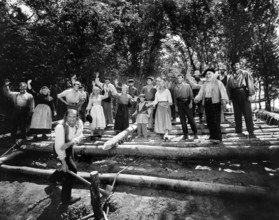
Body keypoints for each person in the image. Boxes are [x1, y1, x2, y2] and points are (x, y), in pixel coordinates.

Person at [53, 109, 83, 205]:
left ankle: (52, 179)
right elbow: (59, 146)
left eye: (74, 117)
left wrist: (71, 142)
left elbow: (80, 135)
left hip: (69, 146)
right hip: (59, 149)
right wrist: (63, 161)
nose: (72, 119)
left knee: (66, 168)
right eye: (70, 117)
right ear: (65, 117)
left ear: (77, 117)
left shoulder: (79, 123)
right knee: (72, 170)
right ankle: (66, 198)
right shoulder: (60, 127)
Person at [194, 68, 228, 144]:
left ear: (213, 74)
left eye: (209, 74)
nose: (208, 75)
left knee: (216, 121)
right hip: (207, 103)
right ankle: (212, 136)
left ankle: (218, 138)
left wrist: (224, 102)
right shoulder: (204, 84)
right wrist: (197, 98)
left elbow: (223, 92)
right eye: (206, 74)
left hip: (216, 103)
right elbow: (201, 93)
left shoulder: (218, 82)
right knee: (209, 121)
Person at [226, 63, 256, 138]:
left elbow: (250, 84)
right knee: (237, 114)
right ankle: (239, 131)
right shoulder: (230, 77)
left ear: (240, 66)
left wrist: (250, 94)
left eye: (237, 65)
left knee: (247, 113)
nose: (235, 67)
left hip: (243, 94)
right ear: (232, 67)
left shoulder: (245, 73)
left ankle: (251, 132)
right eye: (234, 66)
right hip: (234, 95)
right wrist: (228, 99)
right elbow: (228, 88)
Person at [174, 74, 198, 140]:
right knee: (182, 120)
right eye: (178, 78)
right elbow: (175, 98)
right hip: (179, 104)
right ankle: (185, 134)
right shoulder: (176, 87)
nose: (179, 80)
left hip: (187, 102)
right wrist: (176, 105)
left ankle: (195, 133)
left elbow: (191, 95)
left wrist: (190, 103)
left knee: (190, 118)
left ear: (182, 79)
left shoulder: (187, 86)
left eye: (180, 78)